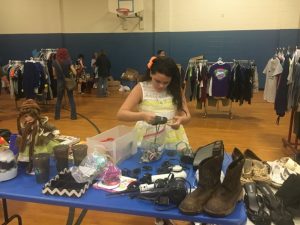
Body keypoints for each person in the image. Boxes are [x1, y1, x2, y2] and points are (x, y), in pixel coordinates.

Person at [117, 56, 191, 225]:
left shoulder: (175, 89)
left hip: (173, 139)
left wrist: (181, 120)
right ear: (150, 72)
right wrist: (142, 115)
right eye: (158, 81)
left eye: (166, 83)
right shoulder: (141, 88)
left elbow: (187, 115)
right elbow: (121, 113)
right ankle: (159, 212)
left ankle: (169, 212)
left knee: (175, 176)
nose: (161, 86)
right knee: (151, 176)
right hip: (147, 140)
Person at [16, 99, 60, 173]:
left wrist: (54, 130)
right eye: (26, 116)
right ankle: (34, 168)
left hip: (39, 142)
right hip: (29, 142)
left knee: (39, 156)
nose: (28, 118)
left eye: (31, 115)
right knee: (31, 156)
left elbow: (48, 126)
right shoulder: (26, 124)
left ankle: (39, 168)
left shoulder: (40, 121)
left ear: (35, 114)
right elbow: (23, 132)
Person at [52, 48, 77, 120]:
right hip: (68, 81)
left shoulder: (54, 62)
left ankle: (57, 116)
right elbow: (74, 72)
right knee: (71, 98)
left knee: (59, 99)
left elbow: (54, 74)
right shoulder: (68, 60)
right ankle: (73, 116)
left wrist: (57, 76)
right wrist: (71, 73)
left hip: (60, 81)